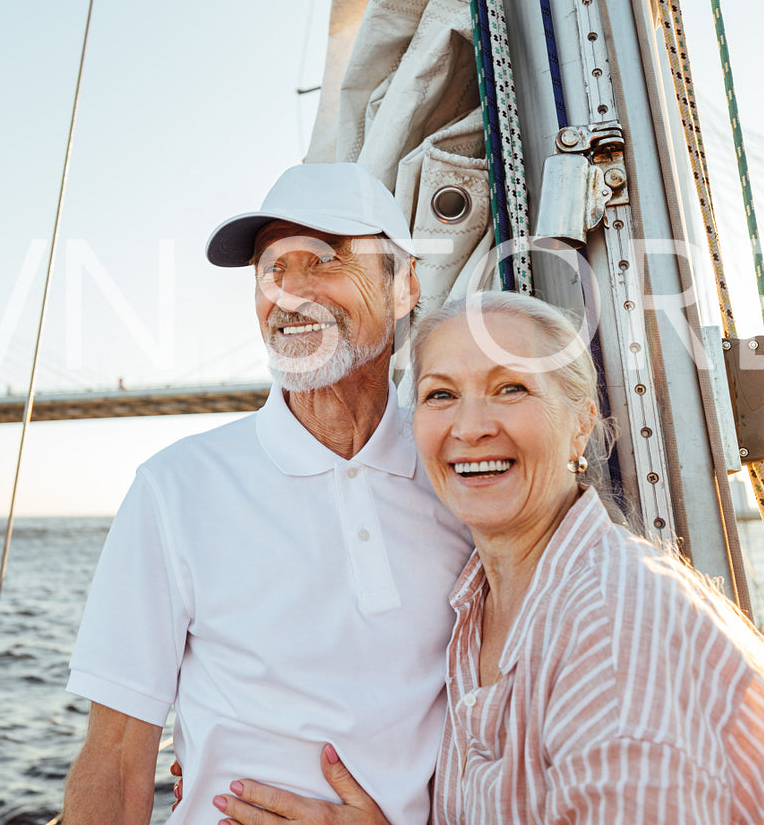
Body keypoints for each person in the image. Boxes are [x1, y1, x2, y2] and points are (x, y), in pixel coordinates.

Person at [211, 292, 764, 825]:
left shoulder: (611, 631)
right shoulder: (475, 602)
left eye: (510, 387)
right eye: (439, 395)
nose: (470, 426)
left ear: (580, 419)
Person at [61, 163, 474, 824]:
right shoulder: (175, 488)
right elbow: (114, 756)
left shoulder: (462, 478)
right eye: (272, 269)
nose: (290, 294)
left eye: (324, 261)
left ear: (403, 288)